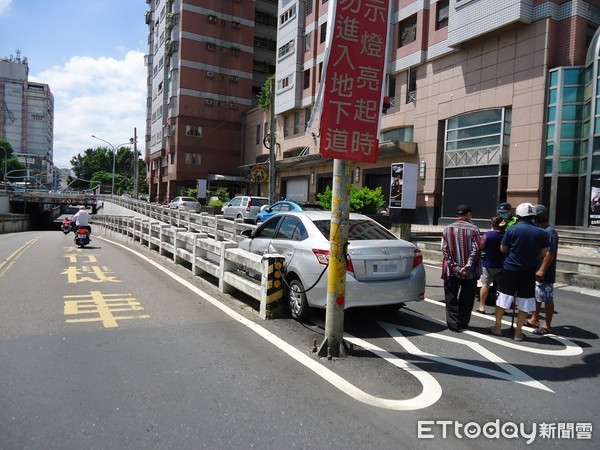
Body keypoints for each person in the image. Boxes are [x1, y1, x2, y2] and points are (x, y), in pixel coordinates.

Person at [490, 203, 549, 341]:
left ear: (519, 215)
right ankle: (518, 332)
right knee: (525, 301)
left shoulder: (513, 229)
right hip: (528, 270)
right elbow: (544, 252)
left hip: (510, 268)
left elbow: (503, 249)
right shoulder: (542, 232)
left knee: (503, 298)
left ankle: (497, 327)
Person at [441, 204, 482, 332]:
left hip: (451, 271)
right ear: (468, 214)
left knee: (451, 296)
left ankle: (453, 323)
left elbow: (444, 250)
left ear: (457, 215)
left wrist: (457, 268)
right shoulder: (474, 229)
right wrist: (467, 267)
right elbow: (477, 249)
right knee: (467, 297)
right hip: (470, 273)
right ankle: (463, 321)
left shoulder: (447, 229)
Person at [525, 204, 559, 335]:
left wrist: (542, 269)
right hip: (536, 267)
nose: (534, 219)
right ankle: (534, 319)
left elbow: (551, 253)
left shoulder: (550, 232)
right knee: (537, 296)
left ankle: (548, 325)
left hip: (545, 271)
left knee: (547, 298)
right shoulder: (540, 230)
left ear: (541, 216)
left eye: (536, 216)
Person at [476, 216, 505, 314]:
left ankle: (482, 307)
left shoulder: (488, 235)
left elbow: (481, 246)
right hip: (503, 264)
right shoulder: (506, 235)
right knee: (501, 288)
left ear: (492, 224)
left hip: (489, 263)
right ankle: (502, 308)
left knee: (485, 285)